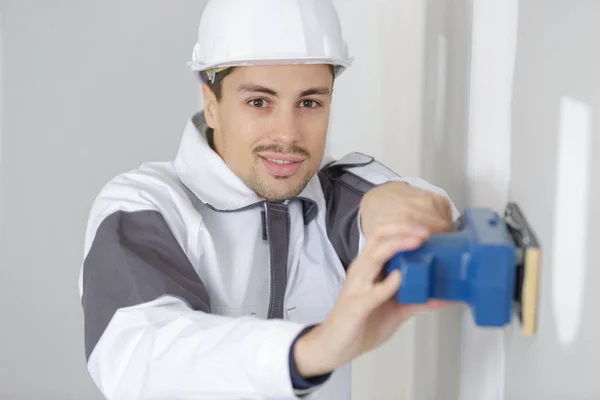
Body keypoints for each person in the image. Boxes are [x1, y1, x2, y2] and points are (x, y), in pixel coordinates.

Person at [78, 0, 459, 398]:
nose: (288, 134)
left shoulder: (333, 198)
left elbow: (420, 212)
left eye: (309, 102)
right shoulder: (145, 206)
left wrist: (402, 209)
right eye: (259, 102)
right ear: (211, 104)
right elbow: (141, 352)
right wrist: (311, 350)